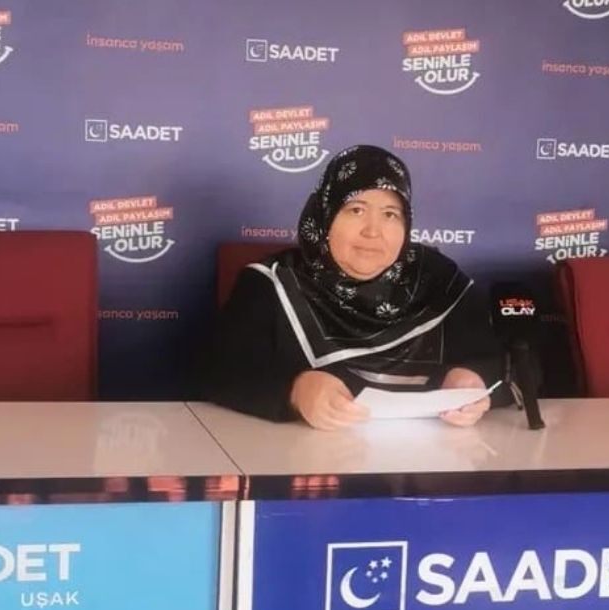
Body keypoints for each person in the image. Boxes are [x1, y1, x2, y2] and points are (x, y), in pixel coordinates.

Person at [203, 145, 505, 430]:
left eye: (390, 214)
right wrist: (295, 390)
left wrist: (473, 380)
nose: (373, 231)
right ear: (326, 216)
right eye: (356, 210)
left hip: (432, 456)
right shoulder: (272, 283)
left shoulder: (438, 279)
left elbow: (500, 362)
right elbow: (220, 373)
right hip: (307, 456)